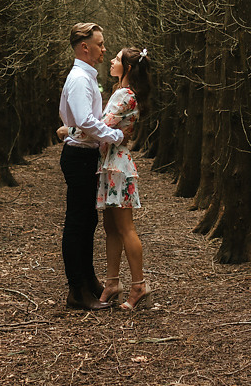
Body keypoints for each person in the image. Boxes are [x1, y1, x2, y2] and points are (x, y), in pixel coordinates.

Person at [58, 22, 125, 311]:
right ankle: (77, 291)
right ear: (85, 47)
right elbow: (85, 121)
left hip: (85, 155)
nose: (104, 49)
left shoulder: (86, 77)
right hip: (78, 157)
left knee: (88, 222)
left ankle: (89, 282)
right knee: (78, 223)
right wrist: (116, 135)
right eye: (100, 44)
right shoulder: (80, 79)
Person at [94, 47, 153, 310]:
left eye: (116, 59)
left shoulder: (125, 95)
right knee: (110, 227)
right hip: (110, 165)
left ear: (128, 68)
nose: (111, 61)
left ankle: (139, 284)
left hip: (119, 166)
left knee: (125, 227)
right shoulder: (124, 94)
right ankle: (112, 282)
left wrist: (68, 129)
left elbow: (100, 126)